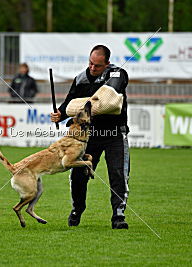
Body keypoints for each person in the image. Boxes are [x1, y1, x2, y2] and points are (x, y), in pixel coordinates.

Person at [50, 45, 130, 229]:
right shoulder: (81, 78)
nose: (92, 68)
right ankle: (77, 209)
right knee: (78, 174)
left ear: (107, 63)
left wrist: (81, 106)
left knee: (118, 174)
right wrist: (60, 114)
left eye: (98, 65)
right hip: (87, 137)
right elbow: (68, 103)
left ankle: (118, 216)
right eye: (90, 63)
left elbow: (108, 101)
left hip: (115, 133)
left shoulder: (118, 74)